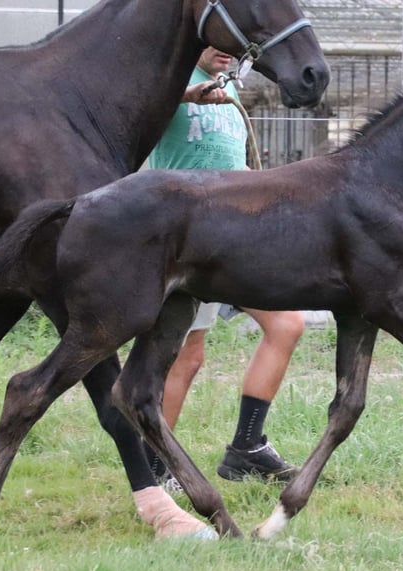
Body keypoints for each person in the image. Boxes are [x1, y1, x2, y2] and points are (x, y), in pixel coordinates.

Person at [145, 47, 306, 493]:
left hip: (234, 239)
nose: (227, 52)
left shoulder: (230, 84)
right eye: (217, 42)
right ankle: (158, 472)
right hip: (186, 241)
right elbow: (142, 101)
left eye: (234, 46)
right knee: (187, 358)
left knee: (287, 324)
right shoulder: (169, 74)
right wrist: (189, 94)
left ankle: (247, 447)